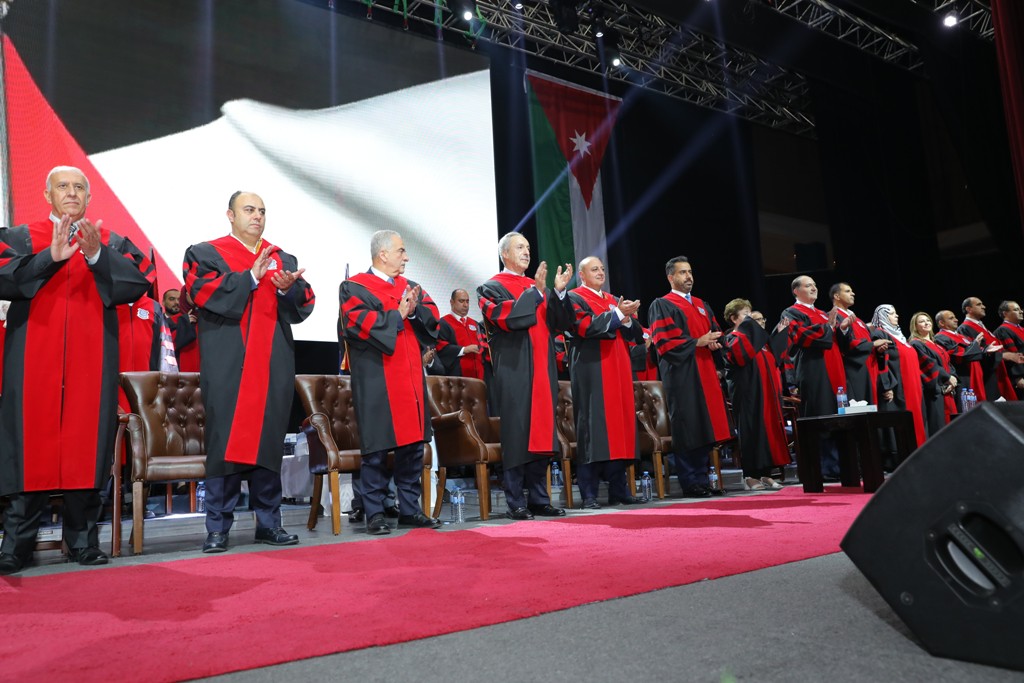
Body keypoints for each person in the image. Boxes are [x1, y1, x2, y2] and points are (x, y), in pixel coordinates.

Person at [0, 166, 152, 575]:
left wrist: (97, 255)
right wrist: (49, 257)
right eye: (63, 186)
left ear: (89, 197)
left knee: (86, 448)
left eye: (79, 187)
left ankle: (83, 541)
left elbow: (138, 283)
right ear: (46, 194)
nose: (71, 192)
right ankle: (16, 545)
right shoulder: (17, 238)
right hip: (32, 363)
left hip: (91, 363)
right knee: (28, 449)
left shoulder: (111, 242)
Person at [183, 191, 314, 553]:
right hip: (227, 363)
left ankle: (268, 523)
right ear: (230, 214)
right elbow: (202, 292)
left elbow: (305, 304)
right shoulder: (205, 253)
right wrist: (250, 279)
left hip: (273, 361)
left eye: (262, 211)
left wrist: (286, 291)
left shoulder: (281, 258)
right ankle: (218, 528)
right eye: (249, 209)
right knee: (225, 441)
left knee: (269, 441)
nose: (257, 216)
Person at [339, 230, 441, 534]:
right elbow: (359, 324)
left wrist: (415, 311)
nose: (406, 257)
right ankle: (374, 512)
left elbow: (433, 320)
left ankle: (410, 509)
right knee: (376, 450)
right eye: (401, 251)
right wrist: (398, 315)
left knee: (412, 448)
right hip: (377, 380)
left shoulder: (410, 287)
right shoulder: (355, 287)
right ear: (383, 254)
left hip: (410, 381)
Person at [478, 232, 573, 520]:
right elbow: (505, 318)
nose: (527, 251)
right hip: (515, 369)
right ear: (504, 254)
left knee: (542, 431)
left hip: (543, 369)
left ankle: (539, 499)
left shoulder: (537, 287)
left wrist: (558, 293)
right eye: (520, 247)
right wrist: (536, 293)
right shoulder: (491, 287)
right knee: (518, 432)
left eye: (528, 247)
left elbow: (561, 323)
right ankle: (515, 500)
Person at [565, 256, 645, 509]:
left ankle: (618, 490)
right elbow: (584, 327)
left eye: (602, 268)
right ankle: (589, 494)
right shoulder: (574, 297)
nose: (600, 272)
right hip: (592, 370)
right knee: (593, 427)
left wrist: (628, 318)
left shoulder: (612, 299)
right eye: (594, 269)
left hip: (619, 370)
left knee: (619, 428)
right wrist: (619, 314)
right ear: (582, 275)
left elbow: (635, 334)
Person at [648, 256, 731, 498]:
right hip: (682, 375)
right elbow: (664, 342)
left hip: (705, 371)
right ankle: (690, 481)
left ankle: (703, 480)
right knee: (688, 425)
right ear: (670, 277)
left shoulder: (701, 304)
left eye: (690, 272)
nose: (688, 277)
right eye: (683, 272)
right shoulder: (662, 304)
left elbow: (715, 331)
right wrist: (697, 342)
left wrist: (715, 342)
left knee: (705, 426)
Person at [776, 275, 848, 479]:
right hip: (814, 370)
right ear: (796, 291)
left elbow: (837, 340)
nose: (814, 288)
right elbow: (800, 336)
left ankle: (842, 465)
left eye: (815, 285)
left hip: (836, 371)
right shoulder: (791, 312)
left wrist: (842, 329)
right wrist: (828, 327)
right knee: (821, 417)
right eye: (808, 286)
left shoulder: (823, 314)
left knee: (839, 418)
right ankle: (824, 468)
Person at [723, 298, 790, 491]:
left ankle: (766, 474)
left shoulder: (758, 341)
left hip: (766, 393)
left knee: (767, 430)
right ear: (734, 318)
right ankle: (749, 476)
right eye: (746, 315)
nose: (751, 319)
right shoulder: (732, 338)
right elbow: (740, 357)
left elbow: (774, 360)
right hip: (747, 394)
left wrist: (777, 336)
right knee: (752, 431)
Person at [869, 305, 928, 448]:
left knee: (918, 419)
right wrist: (886, 386)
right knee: (904, 426)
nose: (897, 316)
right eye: (892, 313)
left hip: (914, 387)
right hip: (899, 388)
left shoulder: (899, 336)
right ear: (883, 316)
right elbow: (880, 362)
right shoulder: (880, 334)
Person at [829, 282, 886, 404]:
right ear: (837, 296)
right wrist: (872, 345)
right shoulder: (834, 317)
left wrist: (878, 349)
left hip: (870, 368)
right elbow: (844, 344)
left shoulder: (857, 320)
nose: (853, 294)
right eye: (847, 291)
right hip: (855, 370)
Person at [957, 297, 1018, 401]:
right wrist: (1001, 355)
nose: (983, 307)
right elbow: (972, 354)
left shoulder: (982, 326)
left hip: (998, 373)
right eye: (979, 304)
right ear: (968, 309)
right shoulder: (964, 328)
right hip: (987, 378)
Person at [908, 311, 958, 433]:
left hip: (947, 388)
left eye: (928, 320)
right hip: (936, 390)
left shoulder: (935, 343)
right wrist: (947, 377)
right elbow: (930, 364)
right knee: (939, 425)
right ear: (915, 326)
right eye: (921, 321)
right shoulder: (916, 343)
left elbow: (948, 362)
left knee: (952, 424)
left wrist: (953, 377)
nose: (926, 323)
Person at [934, 310, 987, 412]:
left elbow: (972, 350)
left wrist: (986, 350)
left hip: (973, 376)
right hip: (961, 377)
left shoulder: (962, 337)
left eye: (955, 317)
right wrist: (975, 344)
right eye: (951, 318)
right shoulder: (940, 337)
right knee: (966, 410)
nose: (956, 320)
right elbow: (958, 356)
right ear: (941, 323)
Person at [436, 289, 486, 380]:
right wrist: (464, 350)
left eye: (467, 301)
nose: (465, 305)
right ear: (452, 302)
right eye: (461, 301)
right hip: (457, 378)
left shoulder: (475, 324)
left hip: (479, 377)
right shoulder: (443, 323)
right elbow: (441, 347)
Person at [163, 287, 200, 372]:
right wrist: (184, 324)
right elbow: (165, 347)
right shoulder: (167, 322)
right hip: (177, 372)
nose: (176, 302)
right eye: (172, 299)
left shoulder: (205, 318)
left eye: (179, 299)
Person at [994, 300, 1024, 400]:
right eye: (1016, 310)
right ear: (1005, 313)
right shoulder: (1003, 330)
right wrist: (1018, 377)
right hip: (1020, 377)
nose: (1021, 312)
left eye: (1020, 309)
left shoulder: (1021, 329)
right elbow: (1012, 355)